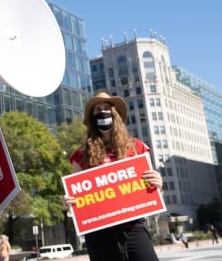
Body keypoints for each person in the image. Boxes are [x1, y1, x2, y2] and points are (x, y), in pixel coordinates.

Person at [63, 92, 164, 261]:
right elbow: (75, 195)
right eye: (97, 110)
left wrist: (158, 184)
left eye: (106, 108)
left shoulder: (137, 147)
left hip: (133, 227)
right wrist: (68, 203)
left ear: (115, 114)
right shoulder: (80, 156)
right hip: (99, 233)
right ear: (92, 117)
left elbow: (151, 192)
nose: (103, 112)